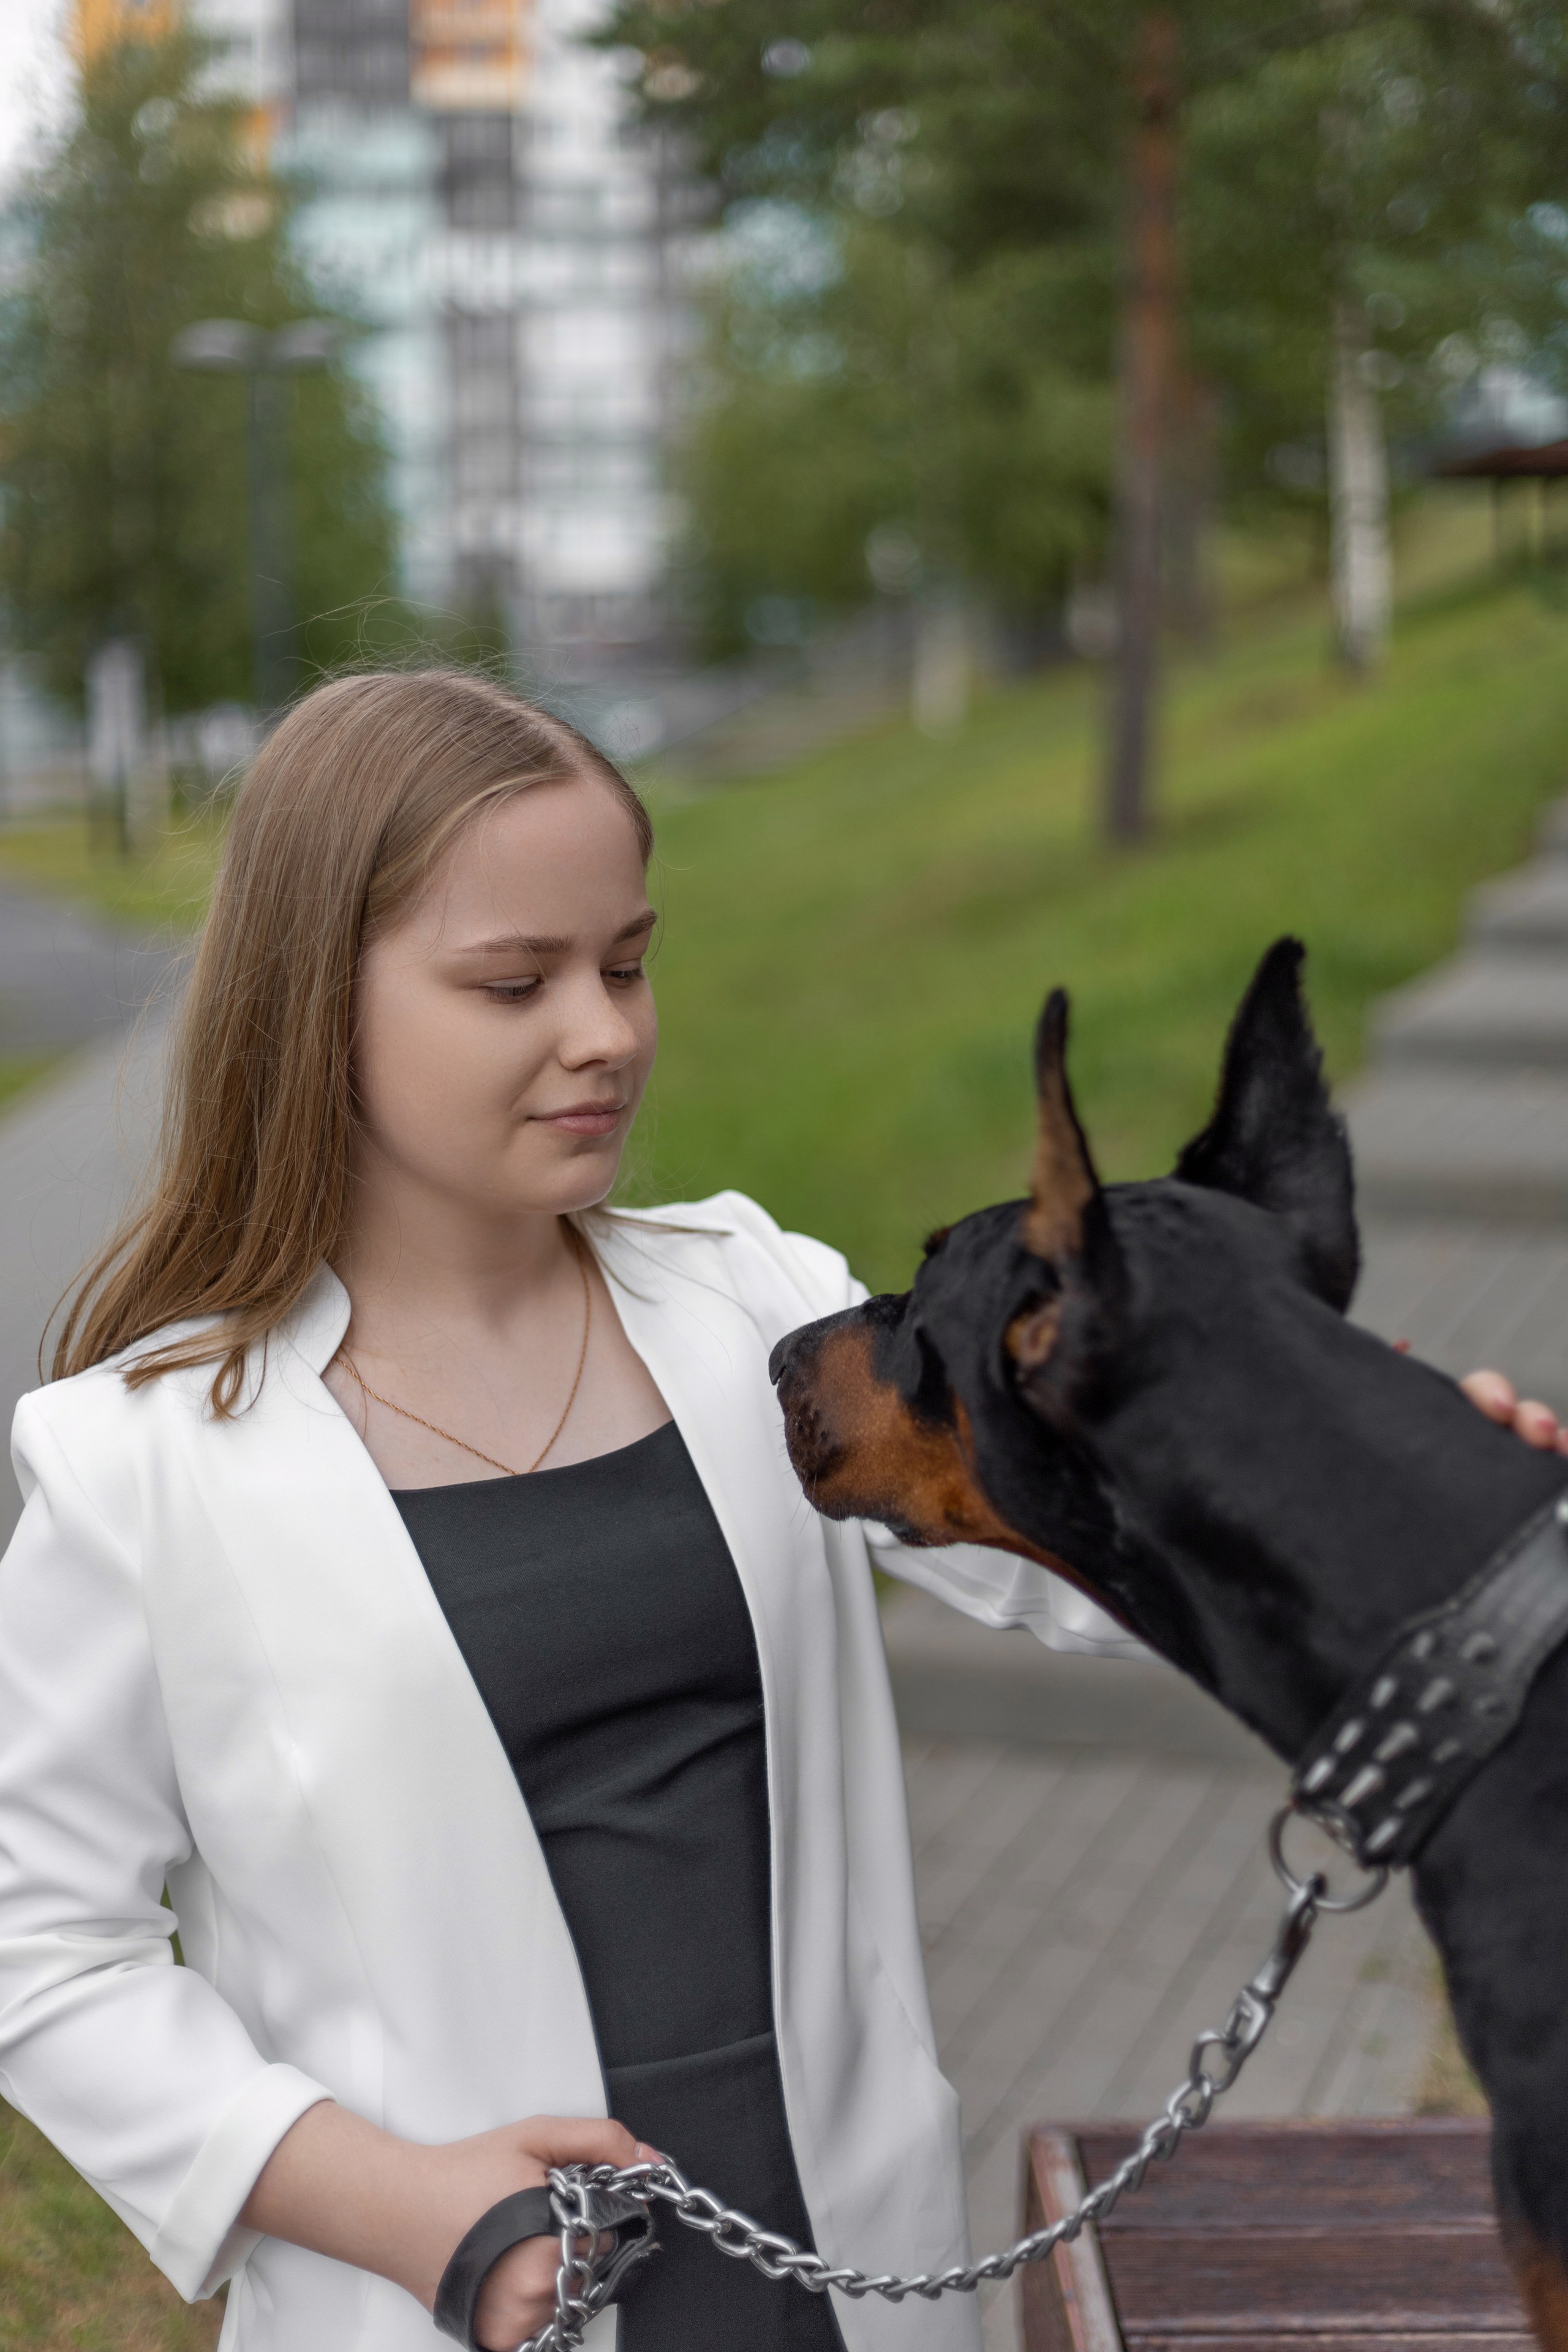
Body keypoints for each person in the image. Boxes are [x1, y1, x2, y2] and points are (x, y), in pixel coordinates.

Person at [0, 669, 1098, 2352]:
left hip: (856, 2285)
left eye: (629, 962)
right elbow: (42, 1955)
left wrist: (1359, 1458)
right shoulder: (136, 1465)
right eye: (515, 981)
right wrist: (396, 2200)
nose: (605, 1030)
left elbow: (1087, 1555)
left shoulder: (766, 1316)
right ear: (314, 1002)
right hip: (437, 2304)